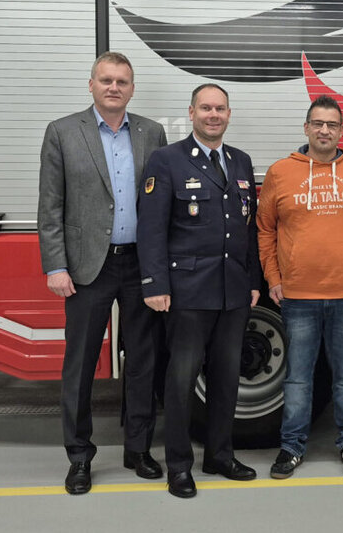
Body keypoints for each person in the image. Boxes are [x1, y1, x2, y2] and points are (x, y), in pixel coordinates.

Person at [38, 51, 167, 495]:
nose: (114, 87)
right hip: (87, 266)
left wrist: (161, 267)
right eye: (106, 80)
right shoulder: (62, 132)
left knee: (143, 361)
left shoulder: (152, 132)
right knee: (80, 365)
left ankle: (138, 449)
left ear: (132, 89)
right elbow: (50, 207)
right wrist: (56, 265)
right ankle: (79, 457)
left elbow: (160, 205)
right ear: (90, 84)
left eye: (123, 82)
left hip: (139, 264)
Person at [136, 83, 261, 499]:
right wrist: (154, 284)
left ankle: (219, 456)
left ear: (229, 113)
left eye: (220, 108)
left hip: (233, 291)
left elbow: (250, 229)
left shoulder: (240, 161)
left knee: (227, 378)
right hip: (187, 291)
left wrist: (254, 281)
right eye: (205, 108)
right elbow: (151, 228)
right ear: (191, 113)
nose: (213, 115)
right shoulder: (166, 160)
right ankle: (178, 465)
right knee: (182, 379)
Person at [257, 95, 343, 479]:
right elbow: (265, 229)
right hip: (298, 298)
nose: (325, 130)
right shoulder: (280, 173)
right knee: (297, 377)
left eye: (333, 124)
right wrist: (274, 278)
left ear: (341, 131)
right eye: (318, 123)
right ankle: (291, 447)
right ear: (306, 128)